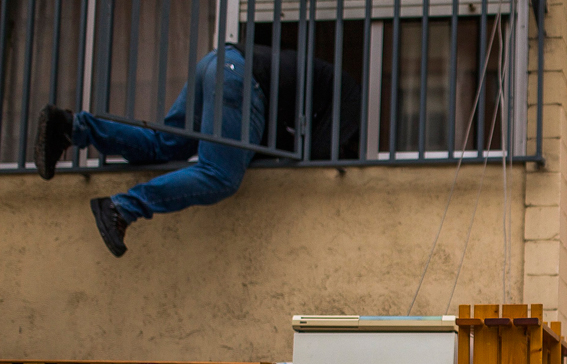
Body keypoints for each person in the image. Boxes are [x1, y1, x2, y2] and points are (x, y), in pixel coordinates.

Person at [35, 45, 361, 257]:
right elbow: (319, 154)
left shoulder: (318, 89)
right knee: (219, 175)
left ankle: (73, 126)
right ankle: (123, 208)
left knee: (166, 145)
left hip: (219, 63)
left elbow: (268, 138)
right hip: (241, 80)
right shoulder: (349, 97)